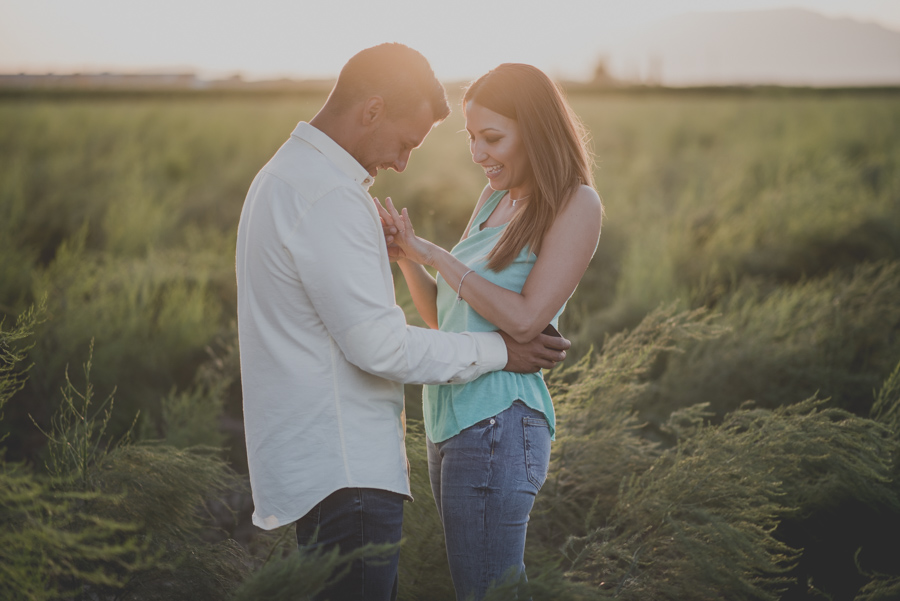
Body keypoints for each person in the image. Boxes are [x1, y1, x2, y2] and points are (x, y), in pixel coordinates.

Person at [235, 45, 571, 601]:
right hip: (348, 469)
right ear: (371, 111)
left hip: (320, 461)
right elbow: (382, 348)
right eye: (406, 141)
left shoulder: (284, 177)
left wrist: (417, 257)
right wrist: (500, 352)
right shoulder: (328, 197)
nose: (402, 162)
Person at [376, 63, 602, 600]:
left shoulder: (575, 203)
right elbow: (447, 319)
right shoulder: (494, 200)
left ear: (537, 129)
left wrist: (433, 252)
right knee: (478, 588)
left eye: (493, 138)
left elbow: (525, 318)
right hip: (450, 419)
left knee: (487, 592)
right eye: (472, 138)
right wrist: (408, 258)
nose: (478, 154)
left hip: (501, 421)